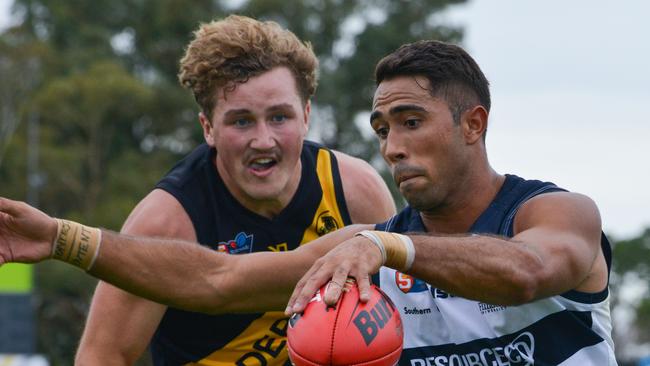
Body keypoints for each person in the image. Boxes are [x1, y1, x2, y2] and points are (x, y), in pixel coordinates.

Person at [0, 40, 615, 365]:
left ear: (473, 124)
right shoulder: (367, 243)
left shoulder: (556, 214)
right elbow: (218, 279)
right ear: (207, 128)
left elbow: (527, 270)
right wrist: (63, 239)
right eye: (382, 129)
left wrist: (385, 244)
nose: (393, 147)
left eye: (411, 122)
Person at [72, 15, 395, 366]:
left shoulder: (354, 189)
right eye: (241, 121)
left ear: (305, 115)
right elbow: (102, 355)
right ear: (208, 127)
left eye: (279, 117)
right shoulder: (166, 222)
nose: (263, 140)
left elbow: (407, 317)